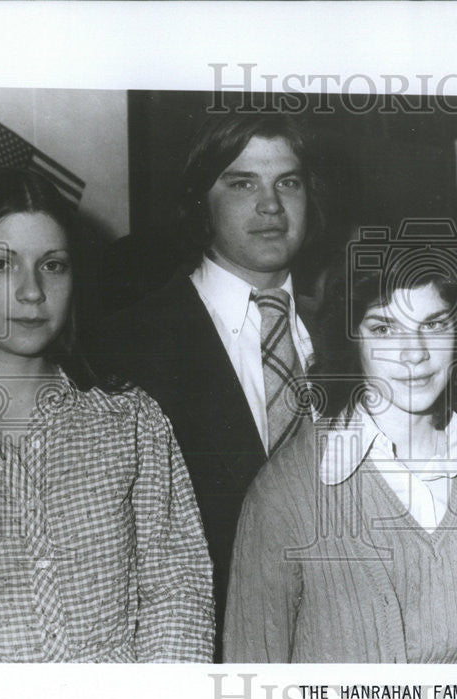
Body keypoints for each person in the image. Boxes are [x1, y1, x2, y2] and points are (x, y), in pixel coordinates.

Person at [93, 112, 325, 656]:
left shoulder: (358, 335)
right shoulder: (127, 344)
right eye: (242, 183)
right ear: (201, 200)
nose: (271, 206)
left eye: (287, 182)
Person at [0, 167, 213, 662]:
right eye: (1, 264)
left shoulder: (129, 421)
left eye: (52, 265)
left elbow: (178, 589)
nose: (31, 292)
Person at [223, 252, 457, 663]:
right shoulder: (287, 489)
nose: (414, 353)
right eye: (385, 328)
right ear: (352, 339)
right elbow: (253, 675)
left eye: (434, 325)